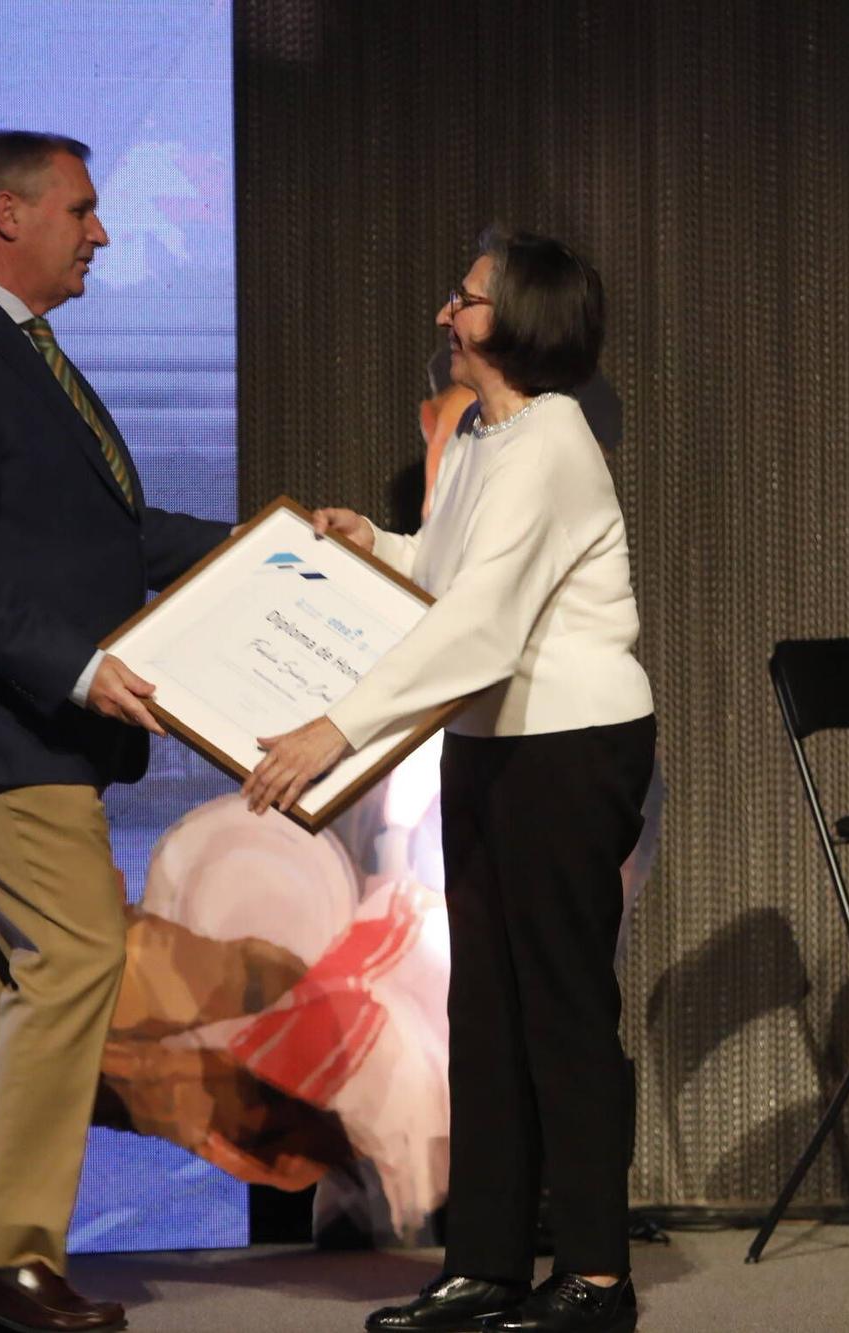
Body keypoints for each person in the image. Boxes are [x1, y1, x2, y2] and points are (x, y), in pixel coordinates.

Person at [245, 226, 655, 1333]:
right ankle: (484, 1261)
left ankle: (596, 1277)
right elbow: (443, 572)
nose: (446, 314)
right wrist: (366, 543)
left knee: (561, 1009)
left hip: (569, 746)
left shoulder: (556, 440)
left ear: (519, 319)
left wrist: (332, 730)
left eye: (465, 299)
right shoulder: (483, 434)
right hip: (489, 744)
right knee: (483, 1009)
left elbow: (479, 628)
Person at [0, 129, 229, 1333]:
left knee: (1, 980)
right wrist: (77, 669)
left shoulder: (12, 352)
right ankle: (6, 1259)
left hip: (13, 736)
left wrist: (265, 548)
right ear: (6, 217)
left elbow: (100, 536)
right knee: (76, 957)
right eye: (82, 209)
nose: (102, 231)